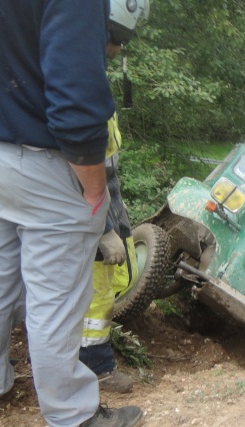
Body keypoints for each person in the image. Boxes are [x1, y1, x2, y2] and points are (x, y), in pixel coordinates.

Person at [0, 0, 143, 427]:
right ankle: (72, 418)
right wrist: (93, 191)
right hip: (39, 160)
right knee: (54, 295)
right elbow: (76, 95)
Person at [80, 0, 150, 394]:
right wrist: (104, 228)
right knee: (96, 297)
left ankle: (83, 362)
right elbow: (85, 165)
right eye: (117, 40)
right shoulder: (82, 83)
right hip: (88, 217)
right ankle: (95, 368)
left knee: (104, 289)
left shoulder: (88, 78)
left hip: (103, 209)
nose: (118, 50)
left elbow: (107, 169)